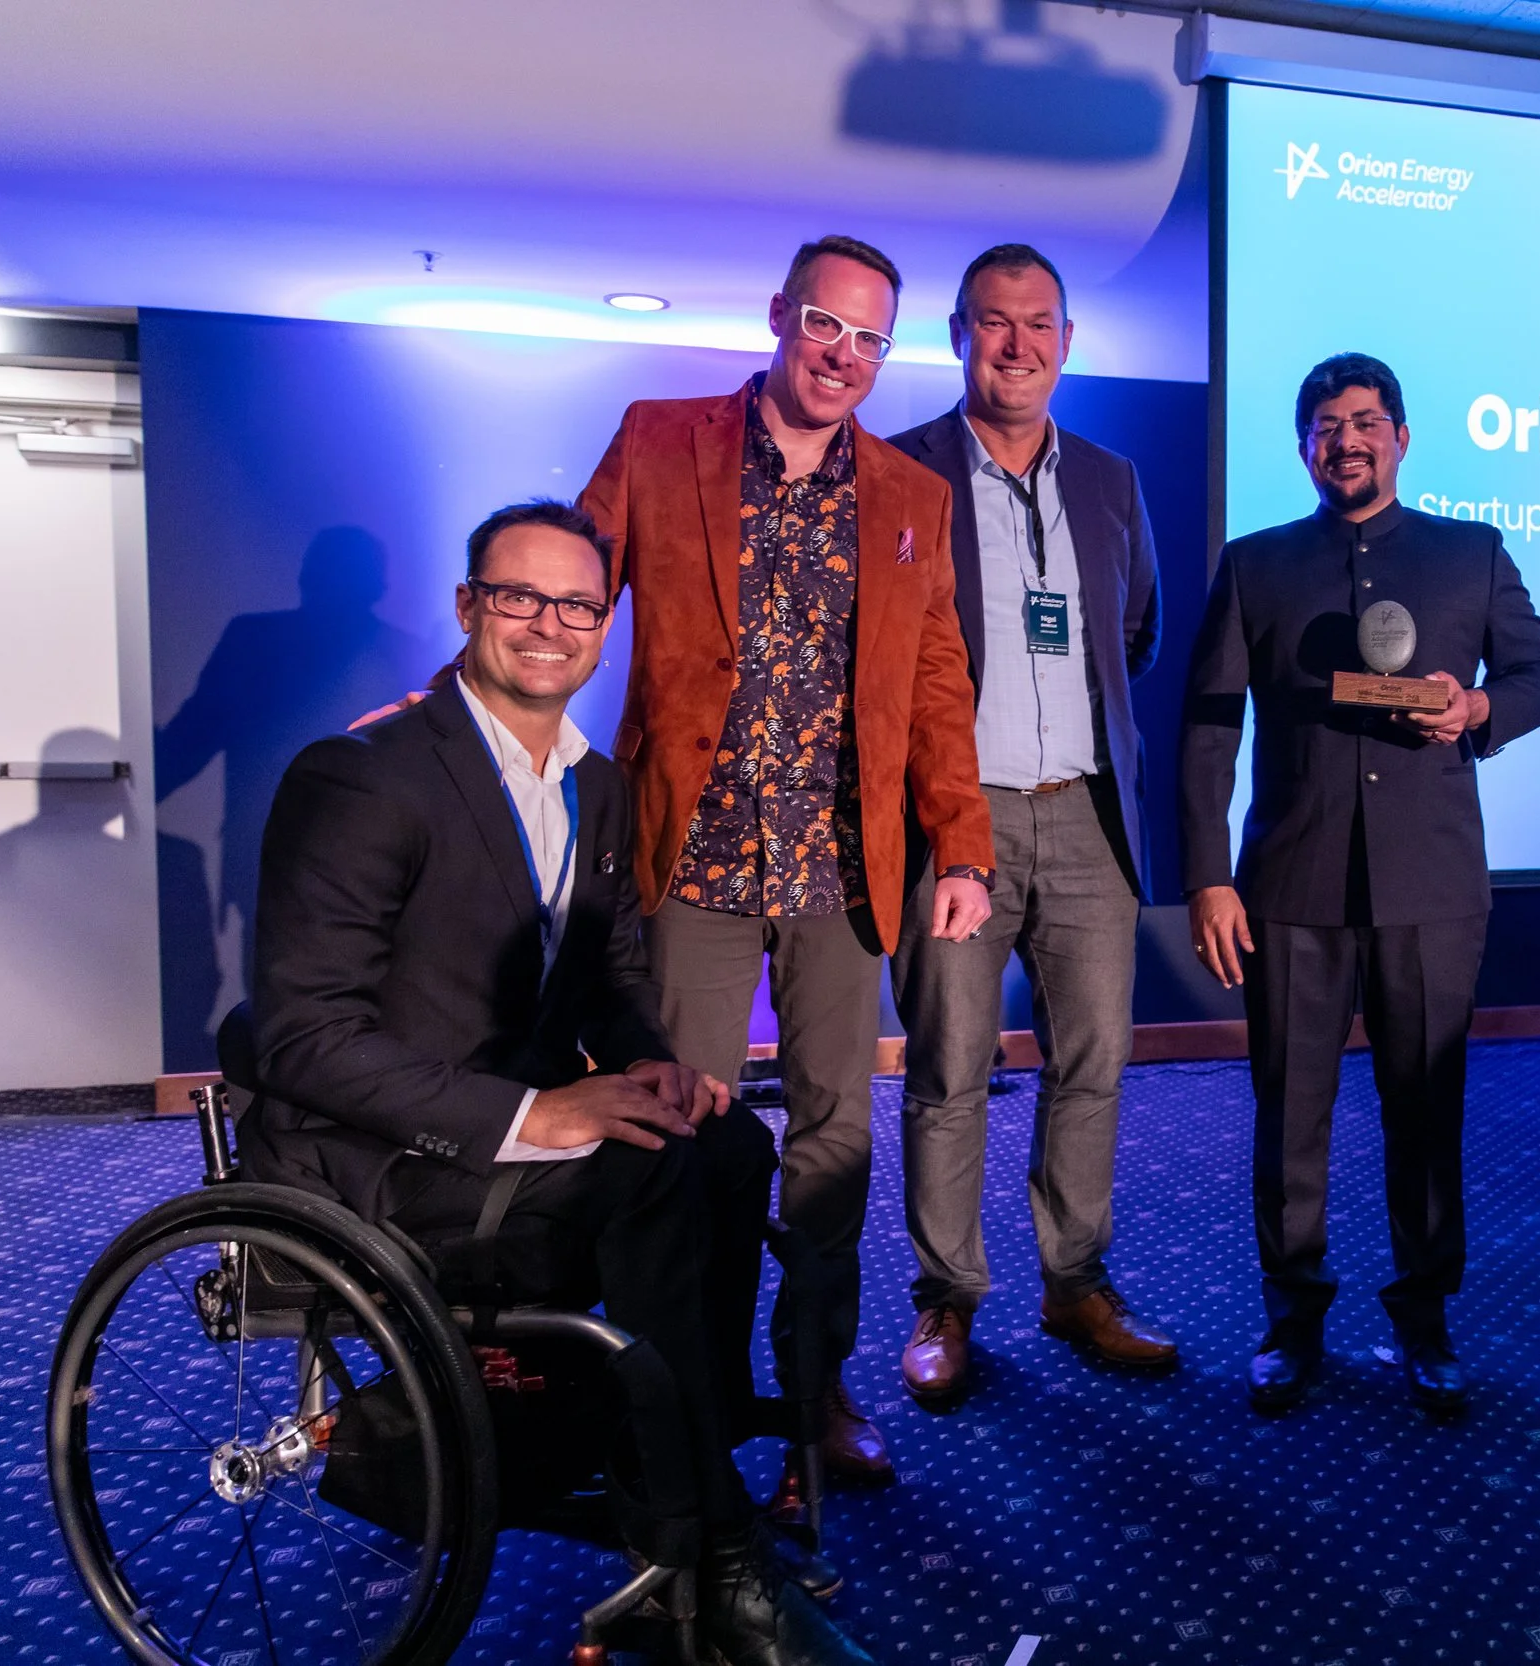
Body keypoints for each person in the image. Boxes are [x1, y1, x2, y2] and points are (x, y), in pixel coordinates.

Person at [242, 499, 874, 1665]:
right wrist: (534, 1111)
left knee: (727, 1146)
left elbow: (609, 973)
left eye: (577, 605)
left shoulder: (599, 784)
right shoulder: (363, 775)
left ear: (603, 624)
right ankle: (710, 1553)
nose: (549, 625)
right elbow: (300, 1039)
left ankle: (670, 1479)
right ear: (467, 606)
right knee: (649, 1182)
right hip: (381, 1156)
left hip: (517, 1132)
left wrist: (647, 1058)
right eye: (519, 597)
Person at [578, 235, 996, 1499]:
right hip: (696, 858)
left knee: (832, 1147)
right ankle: (682, 1396)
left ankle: (816, 1389)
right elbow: (570, 589)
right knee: (685, 1139)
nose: (843, 356)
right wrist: (465, 702)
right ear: (779, 315)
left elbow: (937, 686)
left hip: (841, 874)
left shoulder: (911, 495)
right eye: (825, 324)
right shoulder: (661, 440)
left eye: (871, 339)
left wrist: (962, 844)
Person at [1180, 353, 1540, 1417]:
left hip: (1431, 883)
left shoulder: (1470, 553)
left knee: (1425, 1113)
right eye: (1325, 425)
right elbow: (1208, 732)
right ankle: (1292, 1317)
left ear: (1400, 437)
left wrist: (1475, 709)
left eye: (1364, 421)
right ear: (1303, 445)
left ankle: (1425, 1317)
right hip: (1289, 884)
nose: (1345, 440)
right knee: (1288, 1112)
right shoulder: (1255, 565)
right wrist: (1208, 878)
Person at [884, 244, 1173, 1406]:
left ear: (1067, 339)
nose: (1018, 344)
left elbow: (1134, 630)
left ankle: (1074, 1281)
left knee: (1094, 1061)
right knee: (950, 1064)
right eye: (995, 323)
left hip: (1090, 813)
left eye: (1039, 322)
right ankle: (945, 1299)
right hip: (957, 819)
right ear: (959, 334)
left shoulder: (1110, 479)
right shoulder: (898, 471)